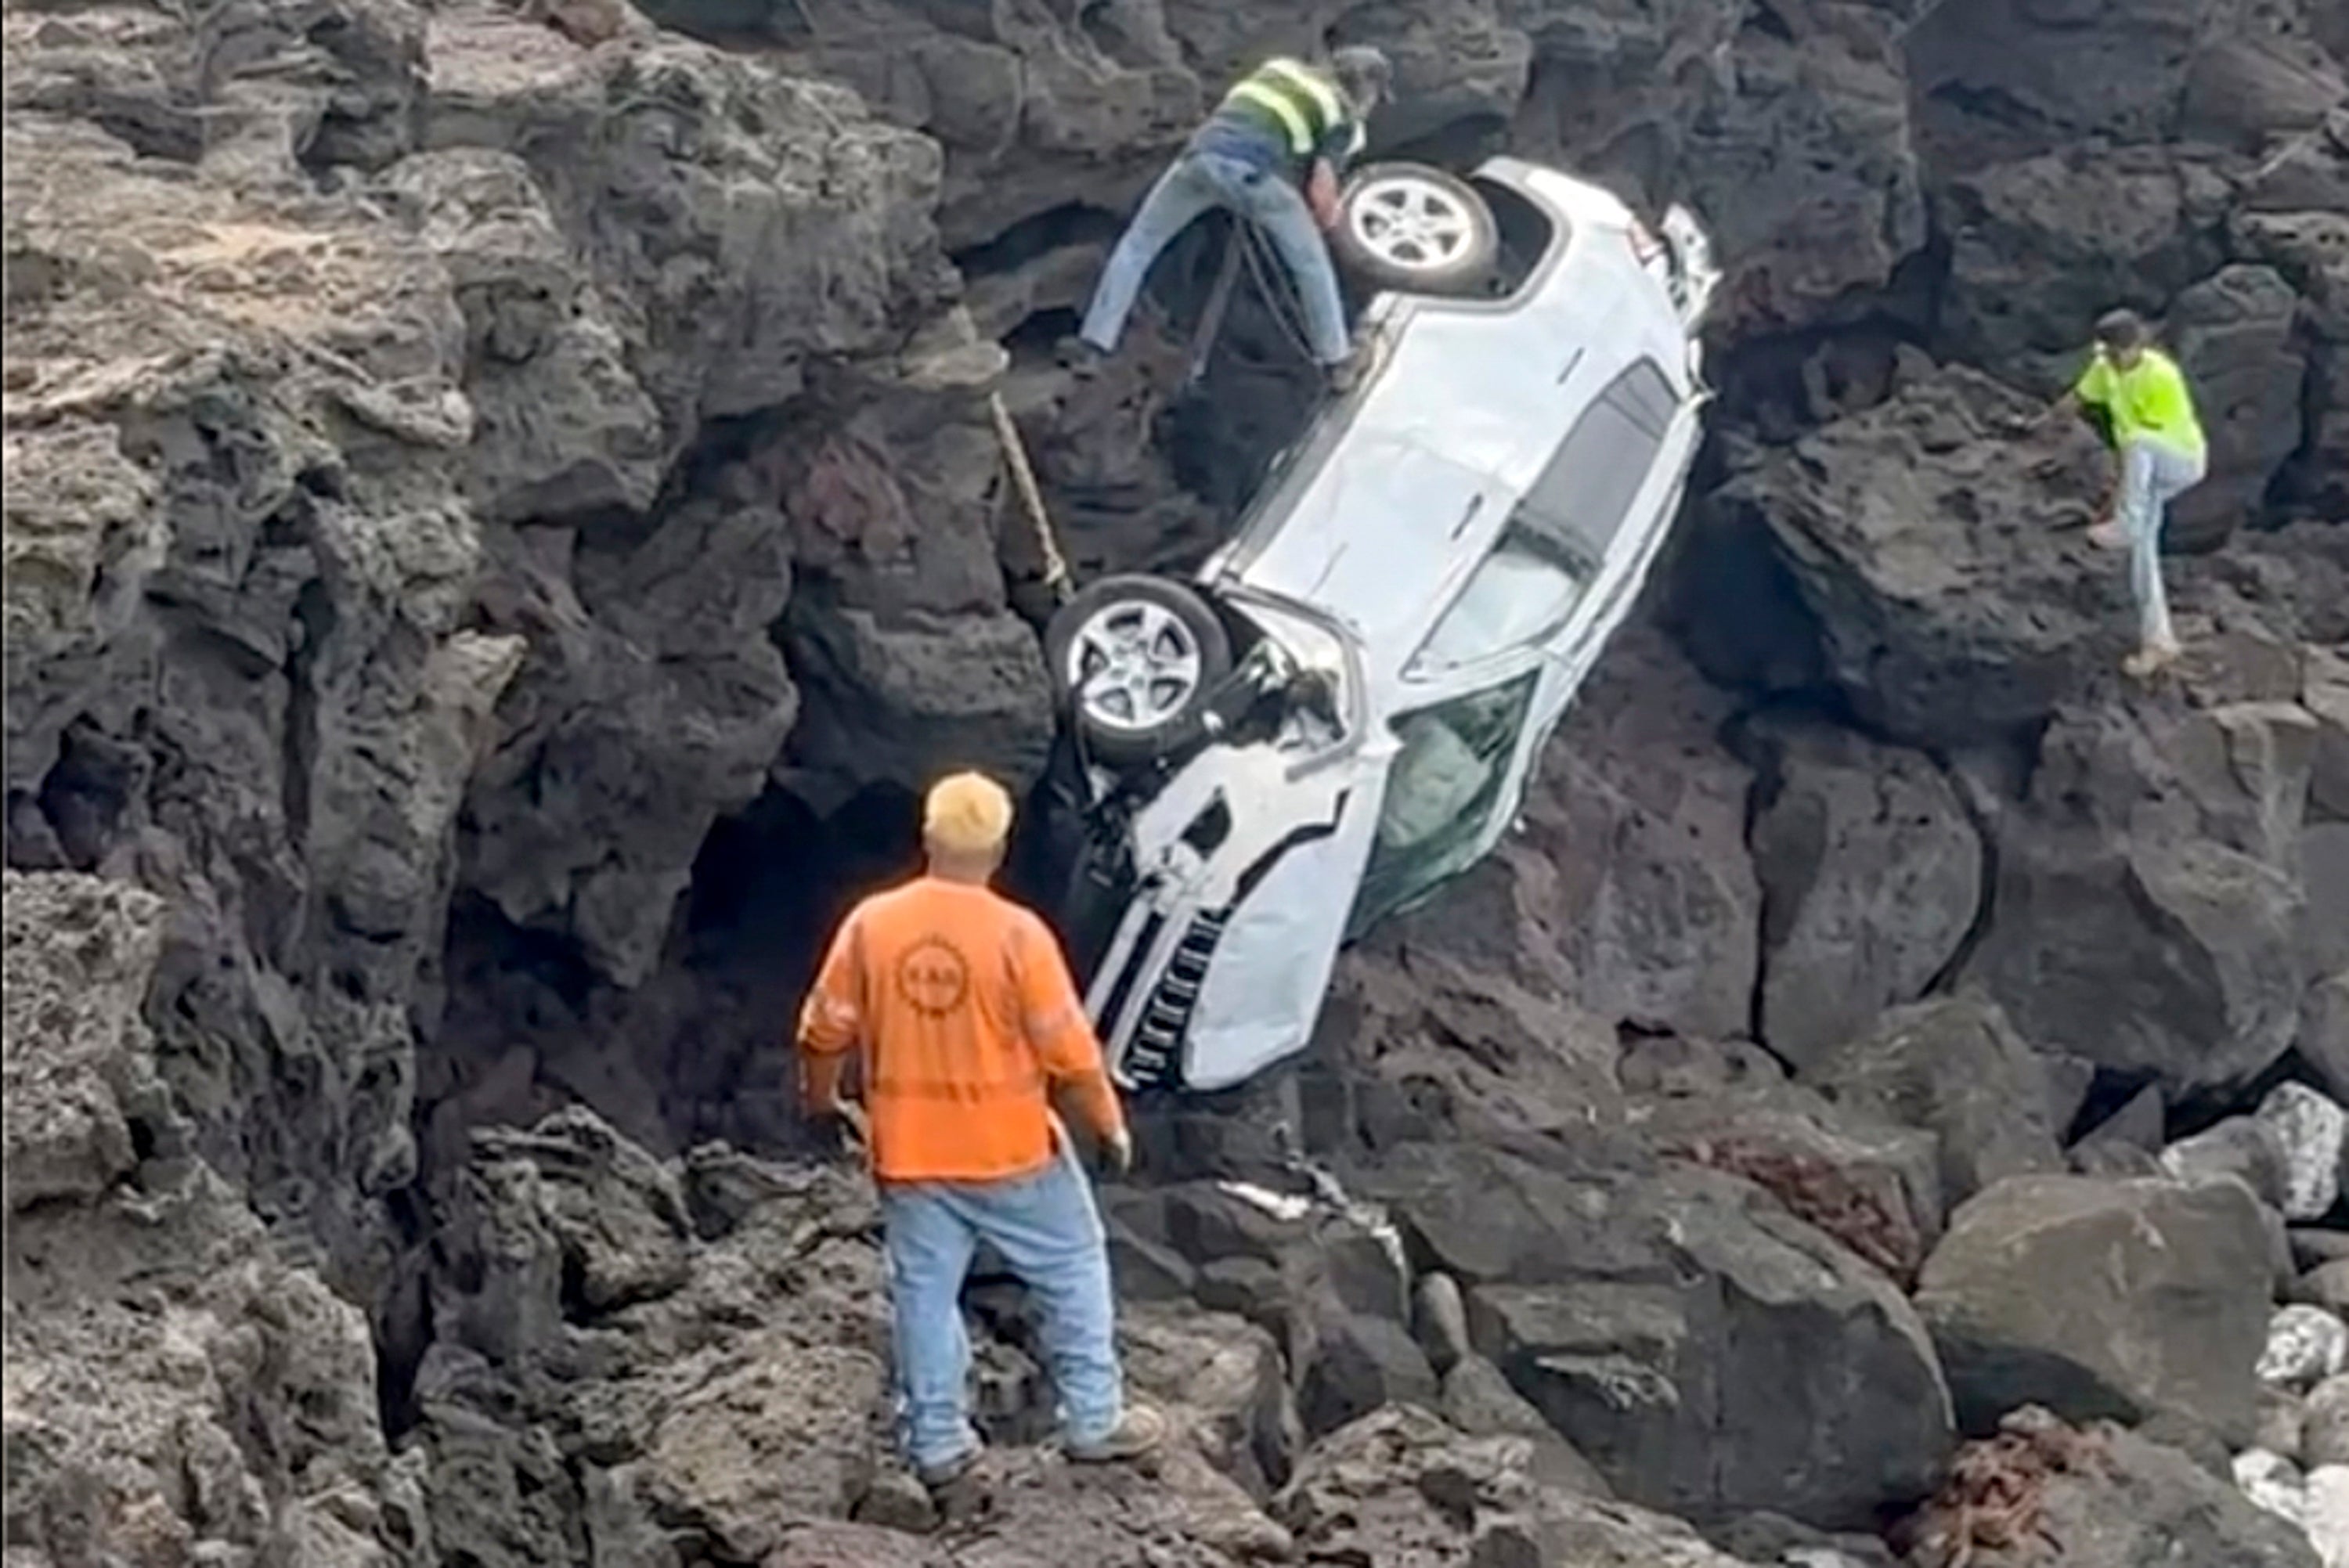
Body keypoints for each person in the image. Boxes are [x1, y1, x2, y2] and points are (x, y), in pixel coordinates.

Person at [796, 772, 1163, 1488]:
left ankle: (936, 1443)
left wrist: (821, 1103)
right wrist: (1110, 1127)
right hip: (1011, 1152)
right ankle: (1093, 1420)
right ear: (998, 848)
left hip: (909, 1157)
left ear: (928, 837)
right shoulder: (1019, 936)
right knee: (1074, 1266)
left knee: (924, 1293)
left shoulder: (873, 924)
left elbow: (821, 1030)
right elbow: (1072, 1053)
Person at [1077, 46, 1394, 391]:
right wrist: (1330, 223)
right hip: (1257, 176)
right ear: (1368, 90)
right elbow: (1321, 188)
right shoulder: (1341, 114)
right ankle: (1337, 360)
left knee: (1138, 246)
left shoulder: (1278, 67)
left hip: (1199, 161)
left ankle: (1093, 344)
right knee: (1310, 264)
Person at [2051, 308, 2208, 679]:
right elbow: (2076, 400)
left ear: (2138, 344)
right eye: (2106, 351)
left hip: (2180, 462)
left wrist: (2119, 503)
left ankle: (2128, 522)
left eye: (2118, 350)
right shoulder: (2105, 368)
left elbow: (2137, 448)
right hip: (2144, 469)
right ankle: (2158, 641)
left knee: (2137, 443)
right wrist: (2036, 428)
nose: (2111, 358)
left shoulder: (2161, 376)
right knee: (2143, 554)